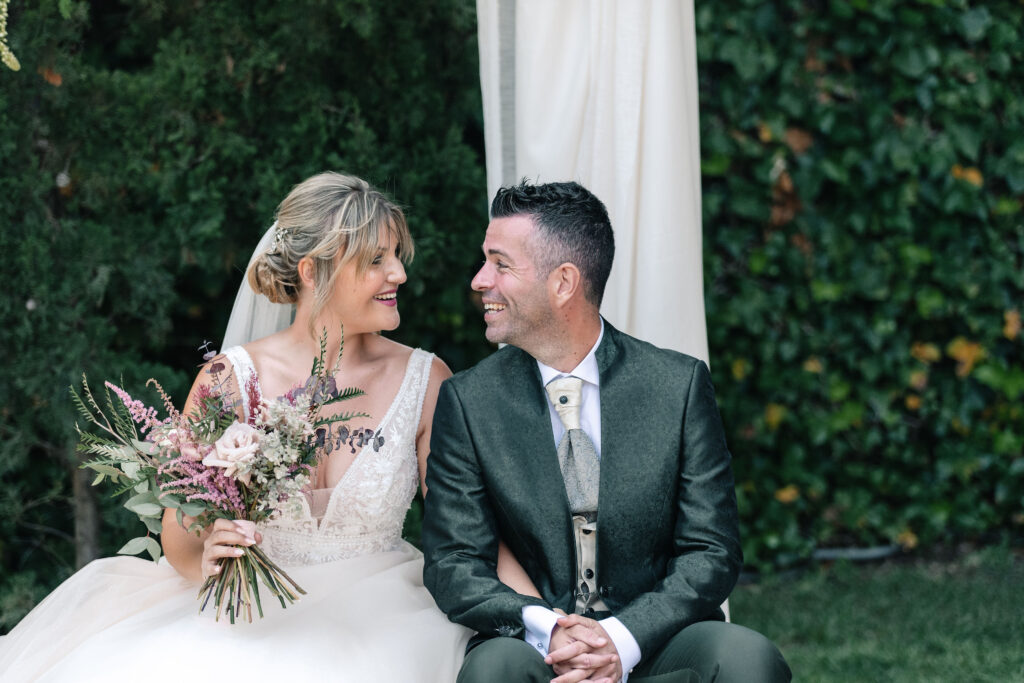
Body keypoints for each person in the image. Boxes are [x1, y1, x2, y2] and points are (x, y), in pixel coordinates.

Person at [0, 172, 483, 681]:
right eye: (377, 260)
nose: (399, 274)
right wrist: (208, 550)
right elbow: (181, 537)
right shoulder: (228, 381)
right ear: (312, 272)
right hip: (251, 616)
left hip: (388, 617)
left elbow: (461, 531)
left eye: (397, 256)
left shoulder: (425, 379)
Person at [422, 180, 792, 683]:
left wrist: (622, 639)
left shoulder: (676, 386)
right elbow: (453, 562)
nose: (479, 279)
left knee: (747, 659)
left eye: (500, 264)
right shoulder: (469, 402)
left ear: (563, 282)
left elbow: (712, 551)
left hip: (655, 638)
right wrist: (550, 629)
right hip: (534, 647)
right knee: (493, 671)